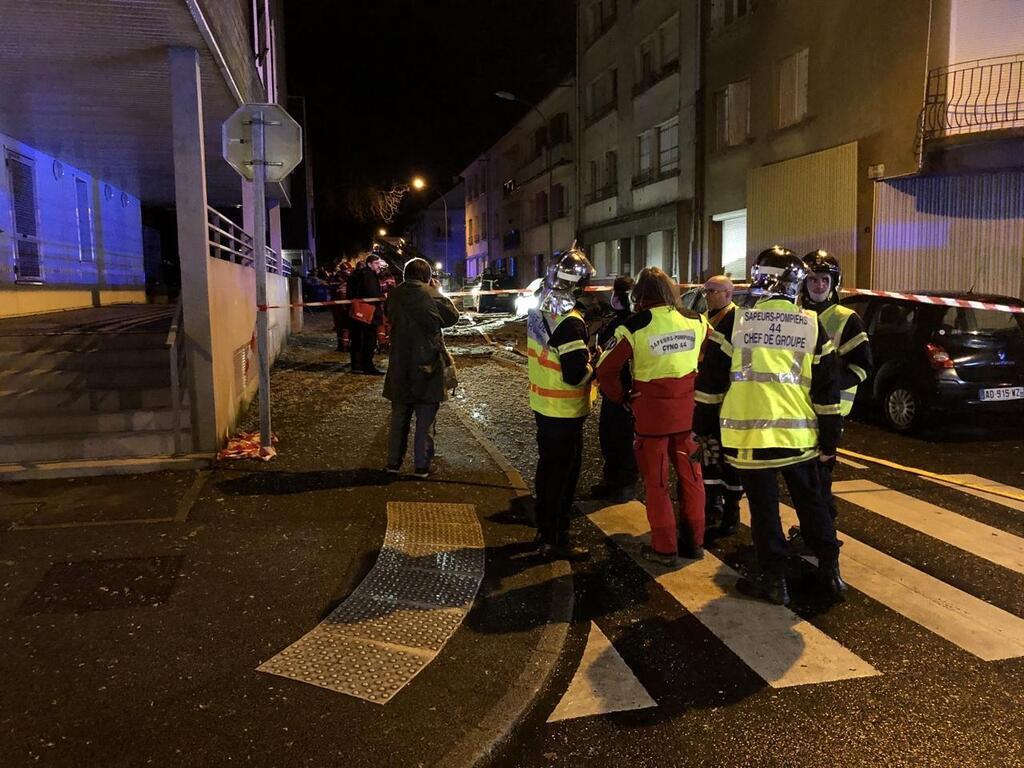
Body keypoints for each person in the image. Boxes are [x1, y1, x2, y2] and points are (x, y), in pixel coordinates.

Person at [694, 246, 846, 606]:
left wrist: (703, 431)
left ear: (758, 279)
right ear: (796, 283)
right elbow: (828, 392)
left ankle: (774, 581)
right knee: (812, 505)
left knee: (764, 511)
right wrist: (830, 442)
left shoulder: (735, 322)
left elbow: (710, 384)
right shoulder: (812, 324)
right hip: (799, 439)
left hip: (750, 439)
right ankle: (831, 574)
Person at [597, 268, 710, 565]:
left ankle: (664, 547)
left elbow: (605, 370)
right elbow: (714, 353)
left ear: (639, 296)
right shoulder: (697, 320)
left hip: (650, 417)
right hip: (687, 413)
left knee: (657, 482)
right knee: (692, 477)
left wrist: (621, 397)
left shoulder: (634, 327)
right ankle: (695, 542)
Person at [527, 246, 597, 562]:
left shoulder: (540, 308)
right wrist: (594, 365)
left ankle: (544, 530)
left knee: (547, 473)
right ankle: (556, 540)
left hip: (543, 405)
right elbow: (574, 375)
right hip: (565, 412)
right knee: (562, 479)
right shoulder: (569, 321)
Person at [797, 250, 873, 520]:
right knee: (804, 479)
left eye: (824, 280)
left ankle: (823, 534)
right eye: (813, 280)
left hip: (830, 410)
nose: (818, 285)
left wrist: (830, 385)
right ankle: (815, 532)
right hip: (797, 410)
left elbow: (862, 366)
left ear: (833, 283)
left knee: (819, 479)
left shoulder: (846, 318)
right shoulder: (795, 314)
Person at [383, 258, 460, 477]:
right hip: (427, 365)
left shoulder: (394, 295)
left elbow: (390, 316)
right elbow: (452, 318)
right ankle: (421, 466)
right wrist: (439, 293)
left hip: (399, 365)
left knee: (399, 418)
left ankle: (393, 464)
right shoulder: (430, 296)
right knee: (425, 420)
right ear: (427, 277)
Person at [700, 275, 744, 538]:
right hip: (709, 397)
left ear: (728, 294)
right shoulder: (707, 317)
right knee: (709, 455)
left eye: (712, 291)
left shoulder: (734, 321)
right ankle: (711, 504)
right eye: (706, 291)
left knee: (730, 462)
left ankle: (731, 511)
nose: (707, 295)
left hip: (728, 402)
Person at [590, 275, 639, 503]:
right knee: (609, 438)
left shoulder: (633, 323)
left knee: (624, 440)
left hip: (626, 393)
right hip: (613, 391)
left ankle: (625, 484)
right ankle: (611, 480)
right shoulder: (616, 321)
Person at [347, 251, 387, 374]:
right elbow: (371, 293)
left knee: (358, 338)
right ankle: (367, 366)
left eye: (378, 263)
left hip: (360, 311)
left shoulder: (360, 274)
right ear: (369, 264)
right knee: (369, 339)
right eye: (376, 263)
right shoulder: (369, 275)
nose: (378, 266)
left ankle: (356, 364)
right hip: (369, 312)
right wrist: (383, 295)